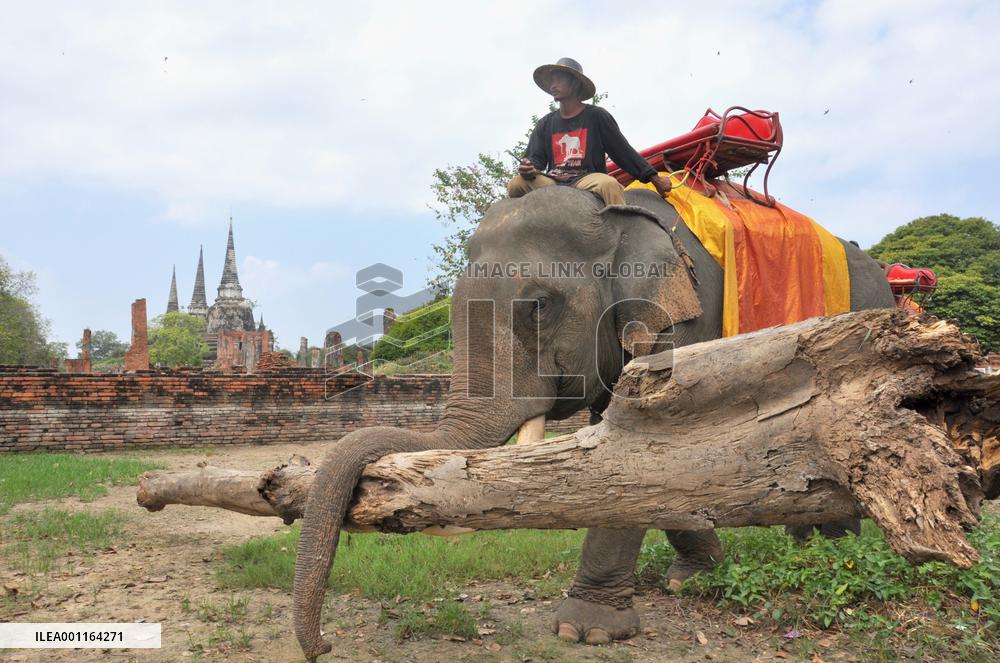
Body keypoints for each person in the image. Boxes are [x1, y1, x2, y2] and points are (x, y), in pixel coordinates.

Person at [508, 57, 672, 206]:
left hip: (586, 179)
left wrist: (654, 178)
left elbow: (623, 152)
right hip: (553, 181)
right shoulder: (545, 123)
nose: (553, 85)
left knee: (610, 185)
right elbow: (535, 160)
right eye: (552, 81)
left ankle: (621, 234)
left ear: (575, 84)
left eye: (559, 80)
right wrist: (528, 167)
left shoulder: (597, 116)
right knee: (516, 183)